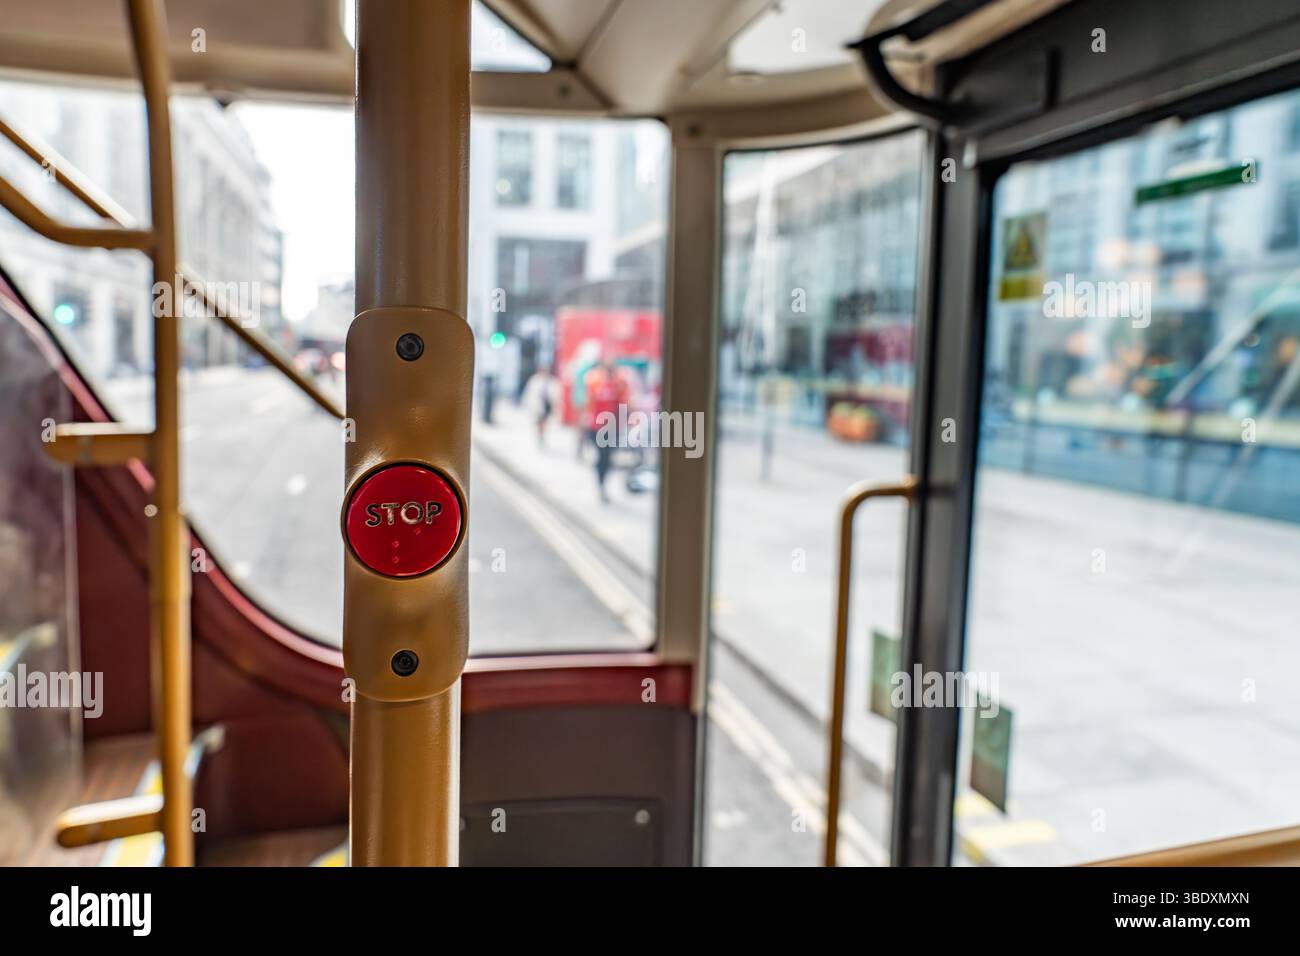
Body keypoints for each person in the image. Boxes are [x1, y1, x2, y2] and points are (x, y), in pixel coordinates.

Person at [582, 355, 631, 502]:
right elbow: (587, 402)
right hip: (597, 426)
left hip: (612, 427)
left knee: (608, 457)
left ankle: (603, 482)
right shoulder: (594, 380)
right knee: (602, 456)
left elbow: (624, 403)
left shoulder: (619, 382)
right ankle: (601, 483)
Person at [521, 366, 559, 448]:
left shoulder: (552, 382)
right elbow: (529, 393)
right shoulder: (534, 380)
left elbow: (556, 396)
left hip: (547, 407)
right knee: (539, 422)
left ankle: (542, 436)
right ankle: (539, 436)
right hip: (537, 407)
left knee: (544, 423)